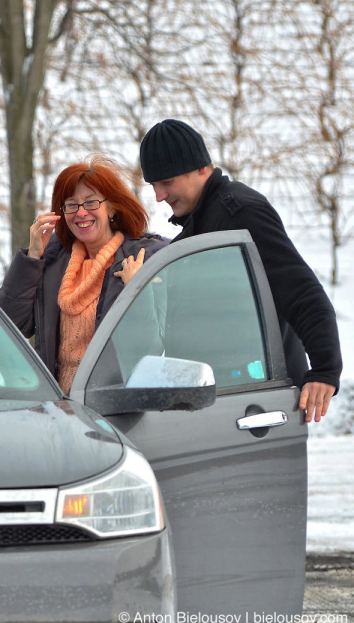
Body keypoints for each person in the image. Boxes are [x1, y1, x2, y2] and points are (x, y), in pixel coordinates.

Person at [139, 118, 342, 423]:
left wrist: (325, 369)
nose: (158, 195)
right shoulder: (200, 225)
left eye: (166, 182)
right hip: (222, 398)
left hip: (257, 402)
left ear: (201, 168)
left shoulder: (241, 214)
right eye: (153, 185)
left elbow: (301, 292)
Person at [0, 157, 167, 393]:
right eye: (71, 205)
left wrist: (138, 292)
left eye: (91, 202)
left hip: (114, 410)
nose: (81, 213)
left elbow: (148, 352)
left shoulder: (139, 262)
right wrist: (33, 257)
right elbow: (10, 324)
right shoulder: (53, 263)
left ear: (112, 208)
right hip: (57, 407)